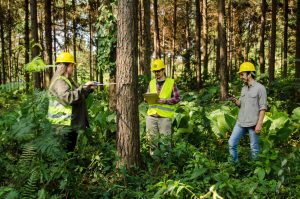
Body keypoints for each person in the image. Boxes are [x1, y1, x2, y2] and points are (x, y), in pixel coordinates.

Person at [47, 52, 96, 152]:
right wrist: (83, 88)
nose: (73, 68)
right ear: (65, 66)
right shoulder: (59, 81)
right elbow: (68, 98)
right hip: (62, 125)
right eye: (72, 65)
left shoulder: (68, 80)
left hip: (70, 123)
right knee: (65, 153)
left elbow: (78, 96)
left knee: (70, 151)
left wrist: (87, 89)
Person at [228, 62, 267, 163]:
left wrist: (259, 124)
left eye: (242, 74)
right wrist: (235, 101)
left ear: (249, 74)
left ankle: (255, 171)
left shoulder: (260, 88)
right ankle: (234, 166)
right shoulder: (244, 88)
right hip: (241, 122)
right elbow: (242, 104)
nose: (240, 77)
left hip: (253, 123)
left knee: (254, 148)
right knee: (231, 143)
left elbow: (263, 108)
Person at [145, 59, 180, 151]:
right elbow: (148, 95)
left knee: (165, 143)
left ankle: (166, 163)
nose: (157, 73)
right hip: (151, 116)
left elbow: (177, 98)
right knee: (151, 142)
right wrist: (146, 99)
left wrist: (166, 101)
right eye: (155, 71)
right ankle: (154, 163)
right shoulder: (151, 82)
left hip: (164, 118)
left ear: (163, 70)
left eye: (158, 71)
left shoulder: (171, 82)